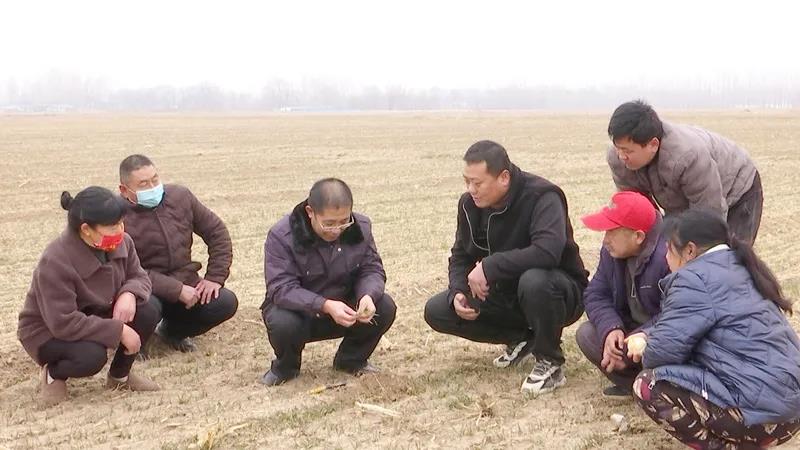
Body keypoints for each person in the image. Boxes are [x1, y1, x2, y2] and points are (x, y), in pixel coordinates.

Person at [424, 140, 589, 396]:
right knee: (438, 310)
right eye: (467, 181)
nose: (471, 190)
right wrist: (457, 290)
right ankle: (521, 338)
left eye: (477, 183)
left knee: (534, 281)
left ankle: (550, 361)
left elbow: (547, 252)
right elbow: (460, 255)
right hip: (505, 292)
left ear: (503, 177)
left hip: (558, 291)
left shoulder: (543, 196)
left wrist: (490, 266)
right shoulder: (468, 205)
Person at [627, 210, 800, 449]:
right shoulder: (740, 266)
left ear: (689, 250)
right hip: (790, 411)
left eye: (669, 249)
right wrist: (650, 333)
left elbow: (660, 354)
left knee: (648, 385)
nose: (666, 257)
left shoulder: (693, 279)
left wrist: (644, 345)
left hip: (762, 417)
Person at [17, 187, 159, 406]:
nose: (120, 230)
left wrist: (129, 293)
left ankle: (120, 376)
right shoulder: (55, 260)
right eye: (113, 226)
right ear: (86, 229)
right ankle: (54, 373)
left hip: (95, 314)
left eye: (121, 223)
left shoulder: (123, 242)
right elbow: (63, 322)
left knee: (148, 309)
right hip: (49, 331)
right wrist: (119, 330)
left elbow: (139, 276)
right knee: (92, 357)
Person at [260, 178, 396, 386]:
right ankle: (286, 368)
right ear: (310, 212)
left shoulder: (361, 227)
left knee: (384, 306)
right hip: (302, 313)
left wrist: (367, 295)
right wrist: (325, 305)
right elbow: (280, 288)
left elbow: (372, 269)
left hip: (346, 310)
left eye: (344, 221)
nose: (337, 229)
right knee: (282, 322)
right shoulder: (282, 235)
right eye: (329, 223)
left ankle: (351, 360)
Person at [119, 154, 238, 353]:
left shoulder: (181, 197)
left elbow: (217, 232)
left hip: (186, 282)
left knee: (225, 303)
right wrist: (175, 290)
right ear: (124, 190)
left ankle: (171, 332)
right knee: (145, 308)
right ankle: (135, 343)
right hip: (144, 288)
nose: (152, 187)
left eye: (155, 179)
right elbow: (125, 269)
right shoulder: (116, 216)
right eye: (143, 184)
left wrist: (214, 277)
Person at [607, 100, 762, 244]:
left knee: (727, 255)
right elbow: (638, 210)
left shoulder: (687, 156)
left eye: (627, 151)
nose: (621, 156)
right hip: (683, 199)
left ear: (653, 145)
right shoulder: (617, 159)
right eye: (618, 148)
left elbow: (709, 214)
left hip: (738, 188)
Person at [575, 191, 669, 397]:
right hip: (631, 333)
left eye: (612, 232)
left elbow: (677, 315)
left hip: (658, 337)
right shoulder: (611, 251)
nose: (605, 240)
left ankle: (661, 388)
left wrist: (643, 336)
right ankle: (636, 387)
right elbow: (596, 293)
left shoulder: (669, 257)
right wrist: (611, 328)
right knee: (587, 334)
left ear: (638, 236)